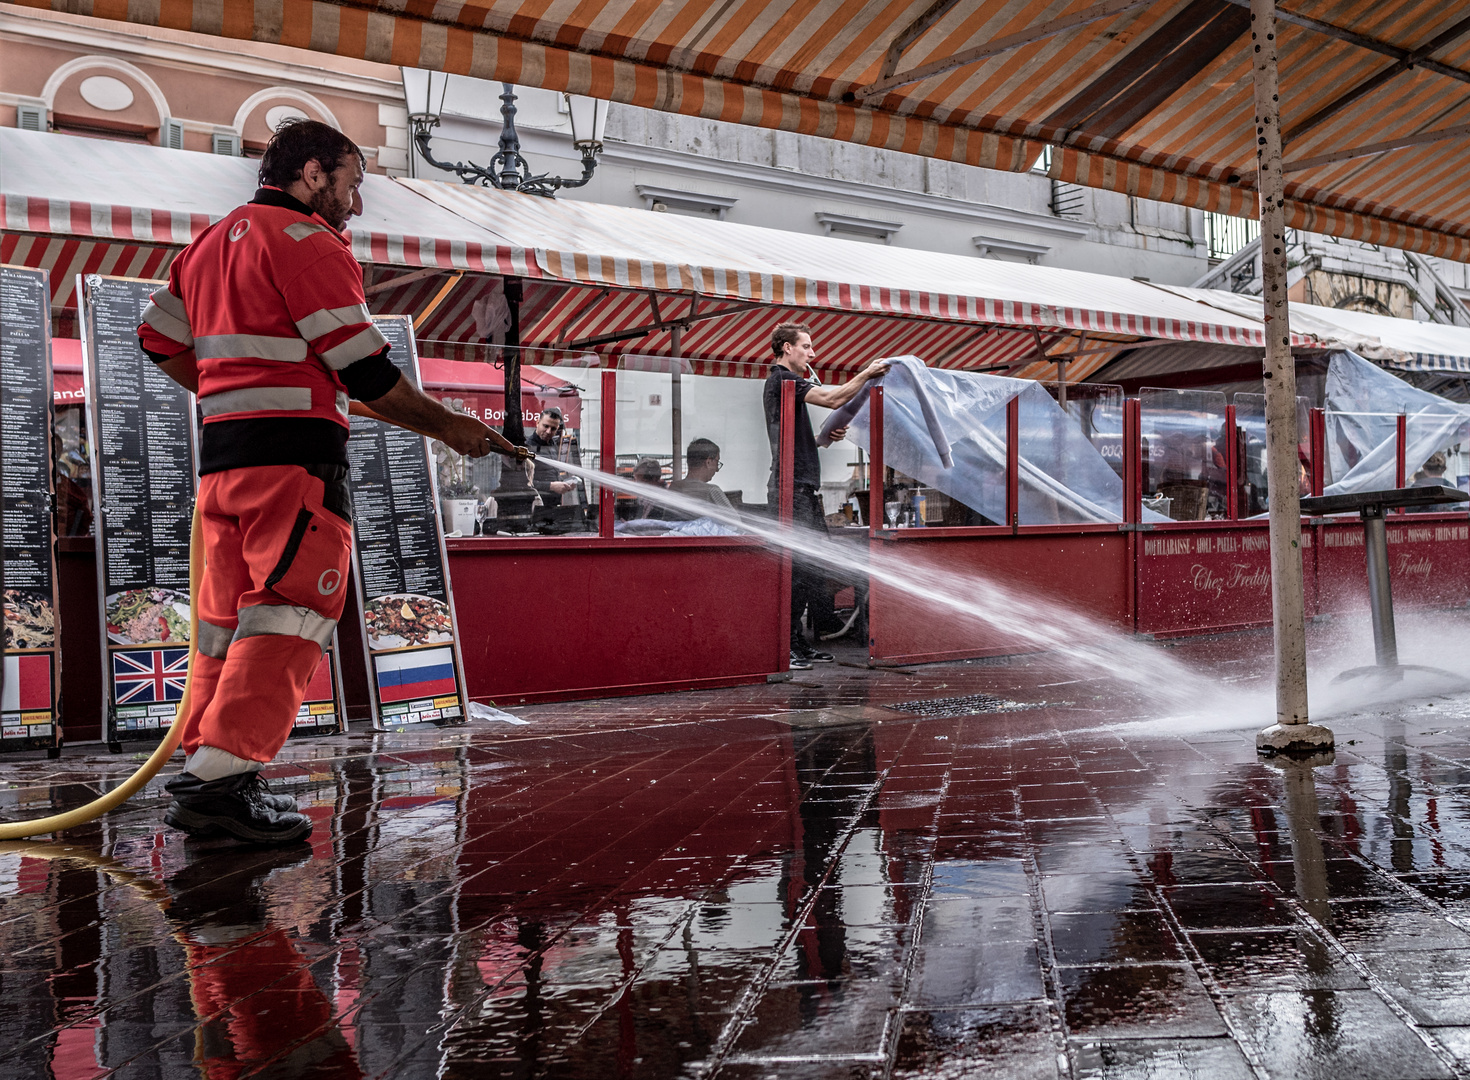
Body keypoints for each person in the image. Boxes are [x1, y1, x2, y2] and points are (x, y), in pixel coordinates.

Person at [138, 119, 524, 845]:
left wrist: (232, 397)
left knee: (227, 626)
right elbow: (367, 371)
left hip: (224, 469)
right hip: (294, 467)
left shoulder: (208, 245)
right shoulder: (309, 245)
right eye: (352, 184)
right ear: (314, 174)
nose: (357, 203)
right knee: (292, 615)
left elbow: (156, 338)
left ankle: (209, 772)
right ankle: (222, 785)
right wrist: (456, 428)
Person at [764, 323, 889, 670]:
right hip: (791, 491)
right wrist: (866, 373)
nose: (813, 353)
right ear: (786, 348)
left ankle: (797, 643)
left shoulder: (790, 387)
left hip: (802, 488)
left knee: (812, 570)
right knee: (800, 570)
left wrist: (825, 438)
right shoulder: (783, 379)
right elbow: (833, 398)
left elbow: (801, 441)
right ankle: (786, 645)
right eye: (806, 346)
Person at [526, 405, 583, 504]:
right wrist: (551, 486)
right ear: (537, 423)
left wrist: (565, 483)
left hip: (552, 504)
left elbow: (552, 474)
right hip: (534, 504)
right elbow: (523, 483)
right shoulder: (527, 447)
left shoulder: (554, 445)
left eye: (553, 429)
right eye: (546, 426)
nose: (548, 431)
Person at [668, 438, 733, 513]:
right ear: (708, 462)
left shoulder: (674, 488)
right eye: (717, 462)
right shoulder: (712, 491)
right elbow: (735, 522)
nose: (717, 469)